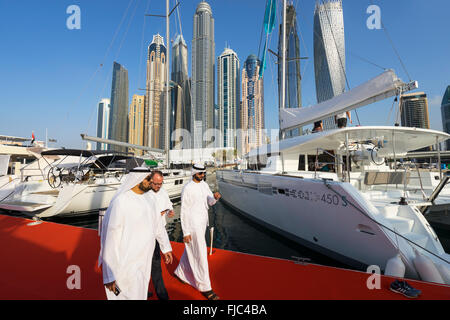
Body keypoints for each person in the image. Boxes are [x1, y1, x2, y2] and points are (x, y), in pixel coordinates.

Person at [98, 167, 173, 300]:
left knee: (140, 292)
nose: (151, 181)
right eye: (148, 179)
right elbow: (110, 239)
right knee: (126, 294)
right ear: (137, 180)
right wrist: (109, 274)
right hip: (125, 262)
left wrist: (165, 247)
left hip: (144, 260)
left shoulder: (150, 198)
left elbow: (158, 226)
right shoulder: (121, 202)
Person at [174, 163, 221, 300]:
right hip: (192, 225)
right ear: (194, 173)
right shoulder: (187, 188)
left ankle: (181, 272)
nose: (203, 175)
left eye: (204, 173)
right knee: (200, 253)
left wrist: (215, 198)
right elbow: (184, 212)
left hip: (202, 223)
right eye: (201, 173)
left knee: (192, 249)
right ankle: (205, 287)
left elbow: (210, 202)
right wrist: (186, 232)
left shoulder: (204, 185)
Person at [146, 170, 175, 300]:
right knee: (142, 265)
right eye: (156, 184)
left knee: (156, 264)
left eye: (160, 184)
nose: (158, 186)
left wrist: (169, 210)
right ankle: (142, 289)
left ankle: (162, 295)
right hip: (145, 234)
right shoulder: (144, 195)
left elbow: (168, 204)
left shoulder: (162, 191)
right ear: (150, 181)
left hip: (159, 232)